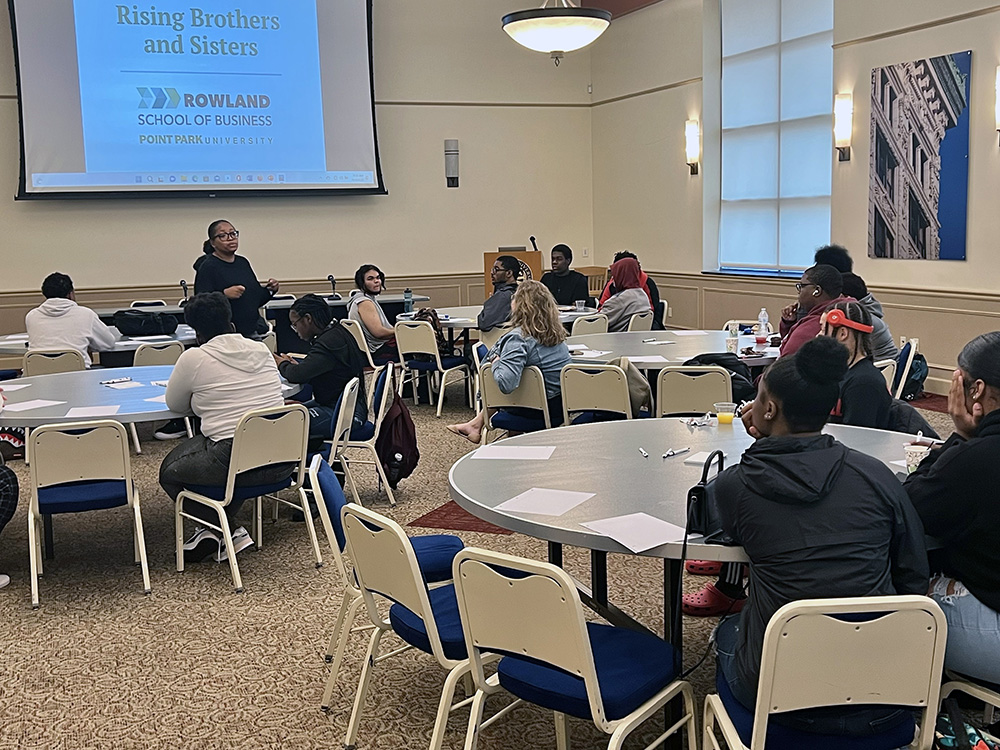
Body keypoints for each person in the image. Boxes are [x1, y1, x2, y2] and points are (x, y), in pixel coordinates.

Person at [709, 337, 928, 736]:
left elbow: (734, 529)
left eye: (758, 396)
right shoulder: (876, 475)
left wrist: (763, 446)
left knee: (727, 630)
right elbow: (913, 574)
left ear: (769, 410)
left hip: (778, 696)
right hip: (881, 694)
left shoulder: (735, 486)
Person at [159, 292, 293, 563]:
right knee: (208, 453)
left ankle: (226, 530)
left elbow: (175, 404)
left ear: (197, 333)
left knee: (169, 472)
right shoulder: (261, 349)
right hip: (282, 456)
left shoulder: (195, 357)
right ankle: (210, 531)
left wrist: (203, 399)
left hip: (234, 461)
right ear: (230, 322)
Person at [904, 332, 1000, 683]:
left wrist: (959, 436)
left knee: (893, 593)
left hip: (994, 637)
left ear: (976, 390)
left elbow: (908, 508)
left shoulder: (976, 459)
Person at [447, 280, 571, 444]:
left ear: (520, 305)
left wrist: (495, 360)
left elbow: (506, 384)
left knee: (502, 376)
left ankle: (478, 427)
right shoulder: (556, 333)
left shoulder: (519, 338)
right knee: (520, 376)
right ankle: (475, 425)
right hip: (560, 404)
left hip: (536, 409)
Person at [274, 294, 368, 450]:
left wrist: (281, 364)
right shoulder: (337, 332)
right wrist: (300, 367)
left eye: (295, 324)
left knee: (283, 424)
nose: (295, 330)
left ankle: (304, 461)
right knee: (288, 412)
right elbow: (321, 370)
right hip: (345, 406)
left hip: (345, 414)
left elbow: (296, 375)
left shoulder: (328, 343)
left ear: (307, 319)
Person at [193, 219, 279, 339]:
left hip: (251, 331)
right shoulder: (208, 266)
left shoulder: (242, 263)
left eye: (233, 233)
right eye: (223, 235)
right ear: (213, 243)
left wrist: (270, 290)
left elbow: (254, 300)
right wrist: (224, 295)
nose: (230, 238)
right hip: (224, 335)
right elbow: (200, 304)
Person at [819, 300, 892, 430]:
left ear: (843, 333)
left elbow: (856, 437)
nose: (818, 335)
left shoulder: (864, 383)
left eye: (824, 330)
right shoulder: (839, 373)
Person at [25, 272, 116, 367]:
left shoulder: (31, 316)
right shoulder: (86, 314)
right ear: (70, 294)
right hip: (78, 373)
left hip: (39, 373)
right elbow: (108, 344)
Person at [777, 263, 849, 357]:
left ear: (817, 290)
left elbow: (786, 360)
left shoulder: (813, 325)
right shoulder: (849, 309)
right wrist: (789, 323)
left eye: (801, 286)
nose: (799, 292)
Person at [840, 272, 898, 361]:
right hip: (887, 362)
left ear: (845, 297)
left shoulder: (863, 318)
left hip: (882, 365)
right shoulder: (871, 308)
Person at [597, 251, 661, 328]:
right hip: (640, 332)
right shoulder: (643, 295)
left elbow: (600, 321)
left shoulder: (619, 300)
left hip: (617, 333)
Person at [477, 255, 520, 331]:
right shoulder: (520, 292)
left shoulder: (503, 296)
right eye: (492, 269)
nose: (492, 273)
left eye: (496, 269)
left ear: (509, 273)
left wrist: (491, 302)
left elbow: (484, 322)